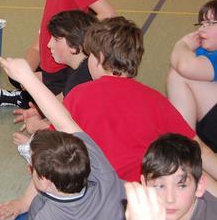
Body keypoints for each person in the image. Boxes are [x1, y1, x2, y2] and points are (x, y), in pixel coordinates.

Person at [63, 16, 217, 182]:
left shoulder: (78, 95)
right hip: (150, 186)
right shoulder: (155, 99)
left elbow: (55, 147)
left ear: (99, 58)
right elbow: (198, 148)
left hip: (103, 189)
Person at [0, 55, 126, 220]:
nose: (31, 168)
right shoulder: (105, 178)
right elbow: (64, 121)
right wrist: (26, 76)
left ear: (45, 181)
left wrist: (25, 77)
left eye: (33, 168)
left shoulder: (42, 217)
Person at [12, 10, 97, 157]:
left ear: (75, 46)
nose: (49, 44)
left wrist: (40, 127)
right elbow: (61, 100)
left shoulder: (82, 78)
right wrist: (39, 111)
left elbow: (74, 132)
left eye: (56, 40)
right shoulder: (78, 69)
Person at [141, 134, 217, 220]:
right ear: (144, 185)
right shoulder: (148, 213)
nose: (169, 199)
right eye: (160, 186)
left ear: (199, 186)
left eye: (181, 186)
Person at [167, 0, 217, 151]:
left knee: (179, 75)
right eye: (201, 23)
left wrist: (182, 44)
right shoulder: (201, 52)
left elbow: (184, 66)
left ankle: (185, 148)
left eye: (211, 23)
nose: (202, 29)